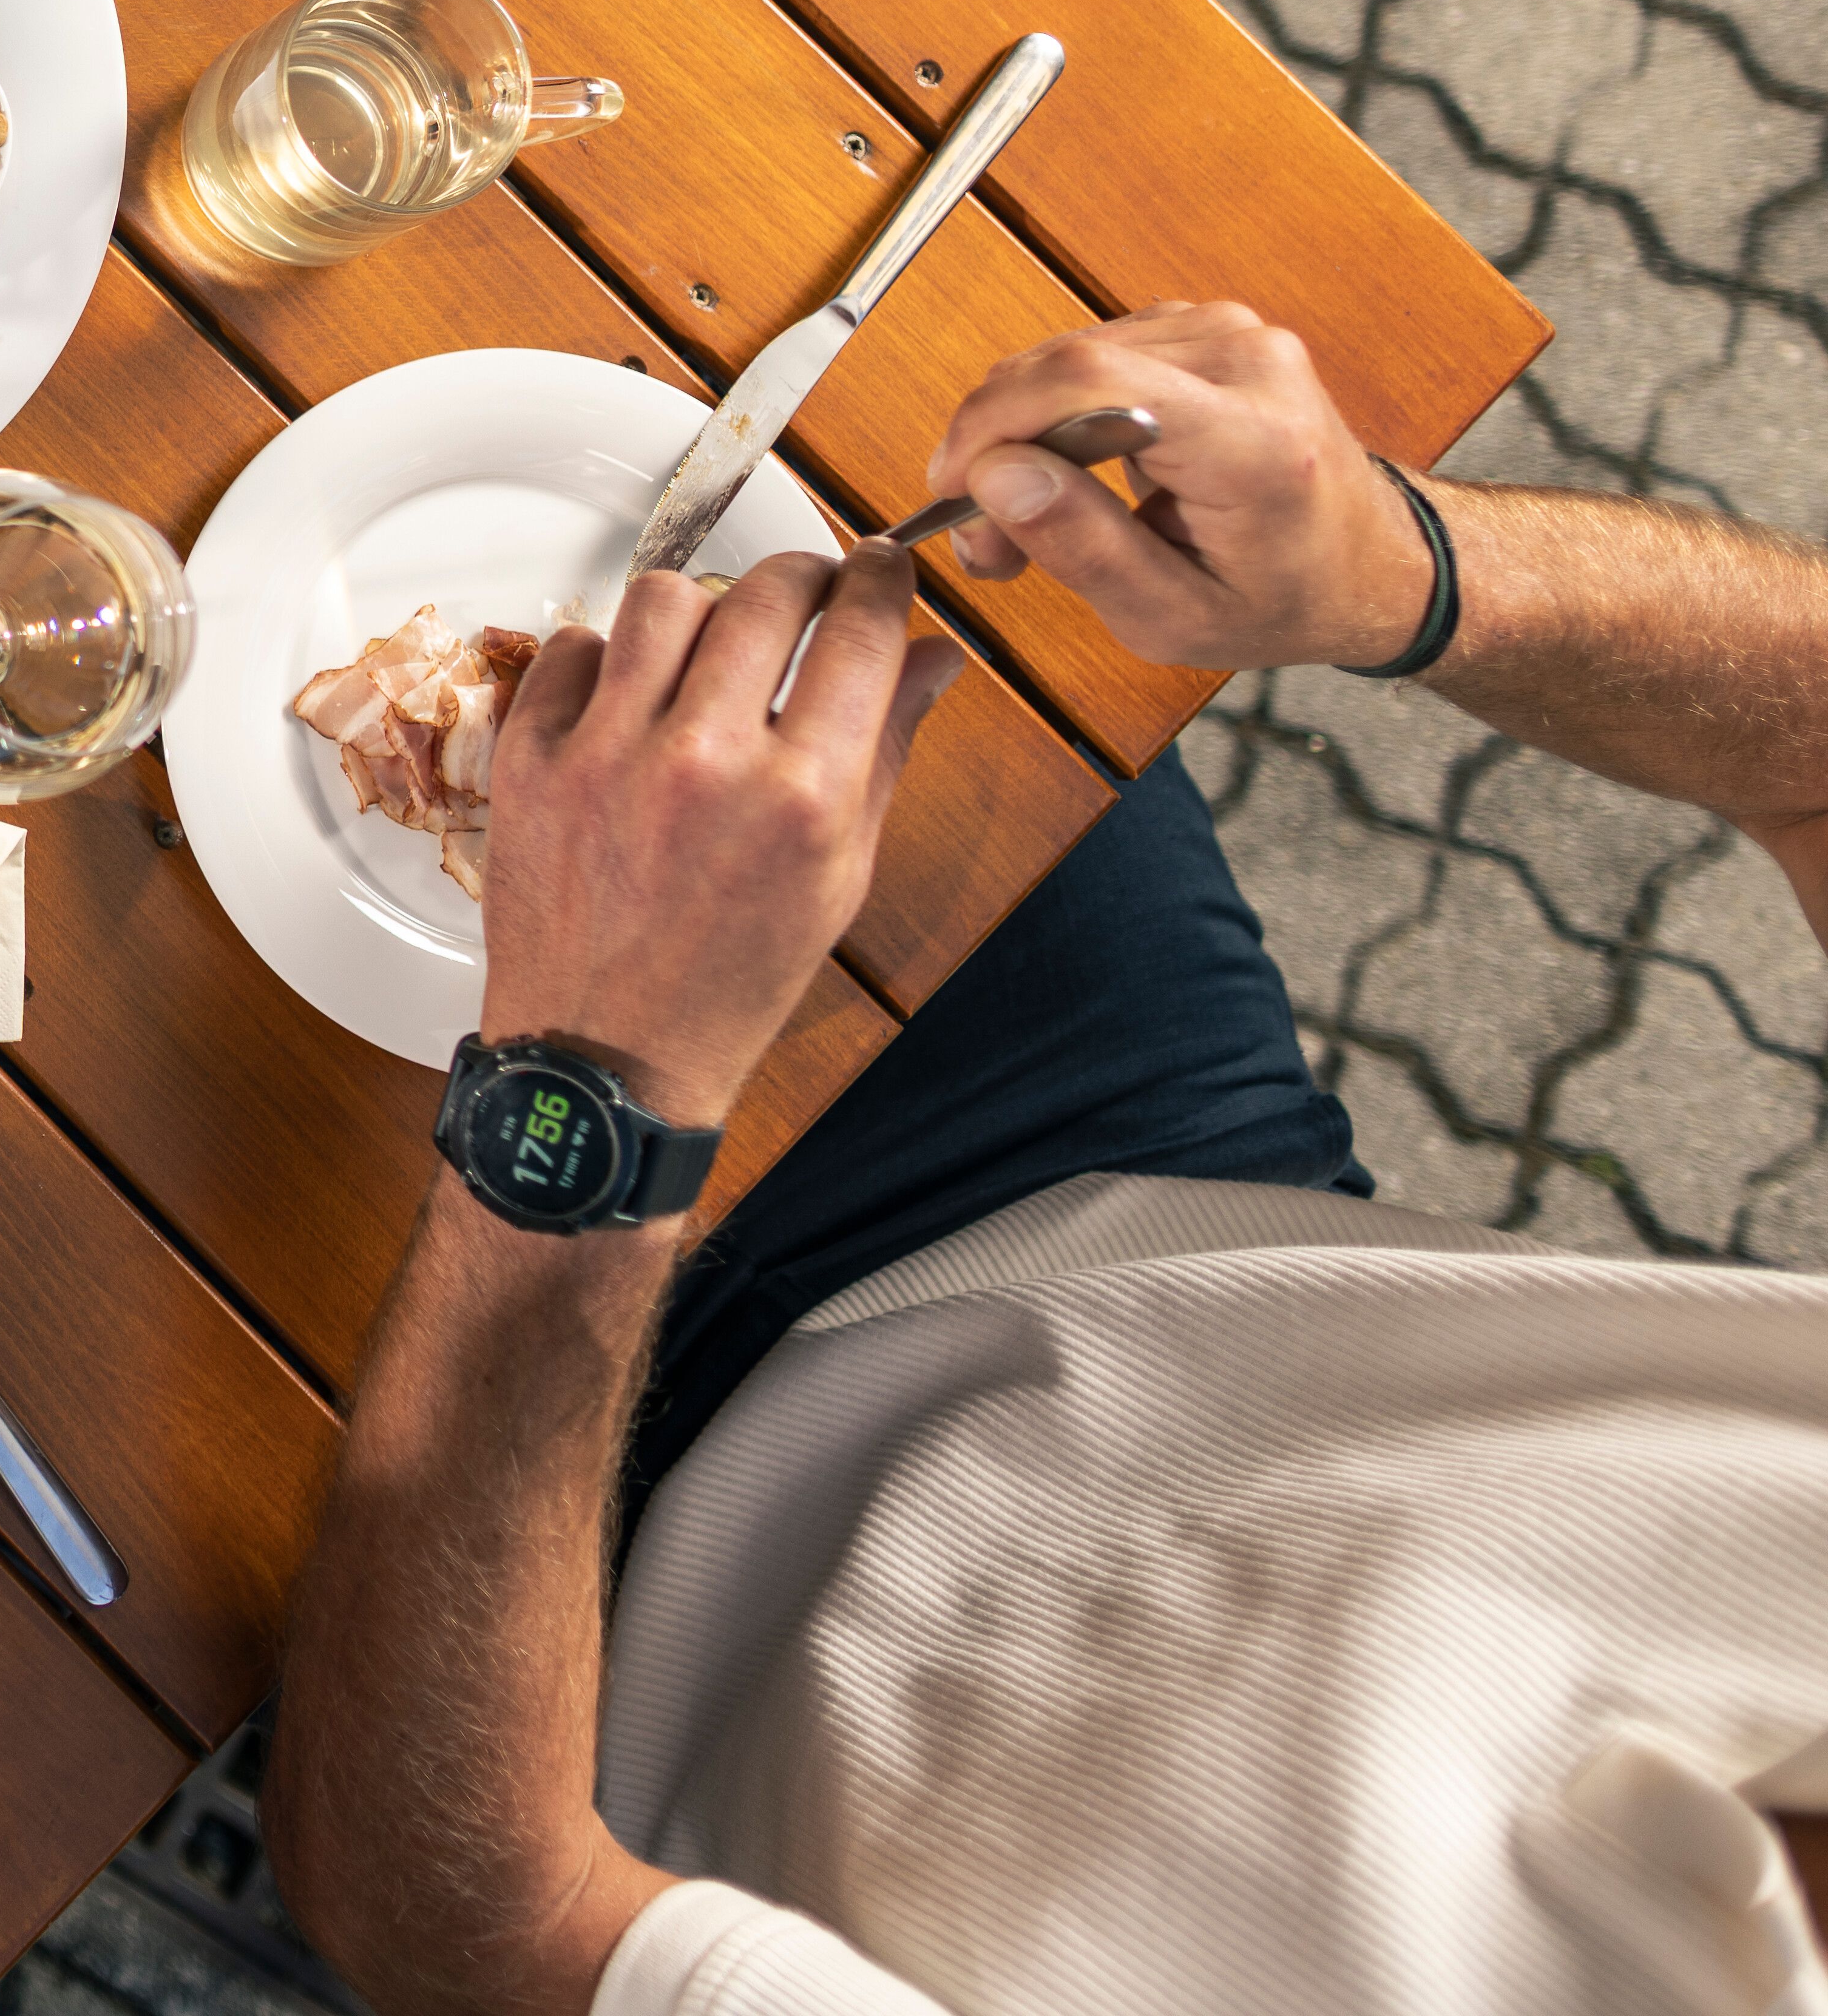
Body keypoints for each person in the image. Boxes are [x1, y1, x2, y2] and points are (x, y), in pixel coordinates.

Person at [264, 301, 1828, 2015]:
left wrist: (594, 1095)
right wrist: (1401, 564)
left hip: (600, 1640)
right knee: (547, 350)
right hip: (1146, 1193)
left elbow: (449, 1917)